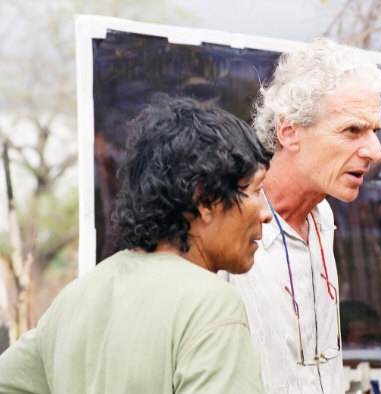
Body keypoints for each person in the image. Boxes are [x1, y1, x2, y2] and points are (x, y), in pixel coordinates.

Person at [0, 95, 273, 393]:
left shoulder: (75, 297)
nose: (265, 213)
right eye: (257, 190)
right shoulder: (210, 302)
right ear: (205, 198)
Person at [226, 37, 381, 393]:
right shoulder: (226, 221)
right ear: (289, 132)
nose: (375, 152)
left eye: (374, 131)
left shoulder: (323, 216)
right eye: (352, 130)